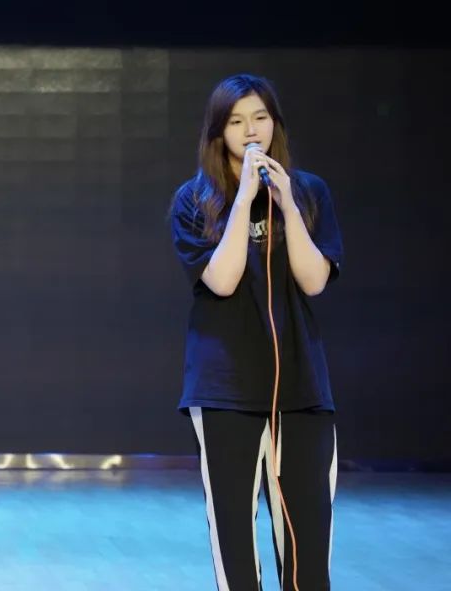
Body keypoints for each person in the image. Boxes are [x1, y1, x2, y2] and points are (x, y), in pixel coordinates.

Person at [168, 74, 343, 590]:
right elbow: (221, 281)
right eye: (237, 121)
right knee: (236, 550)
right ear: (218, 131)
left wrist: (287, 203)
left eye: (260, 118)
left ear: (275, 124)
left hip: (302, 390)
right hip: (224, 390)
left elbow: (314, 281)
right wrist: (243, 200)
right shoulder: (193, 200)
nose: (250, 131)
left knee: (308, 551)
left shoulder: (309, 192)